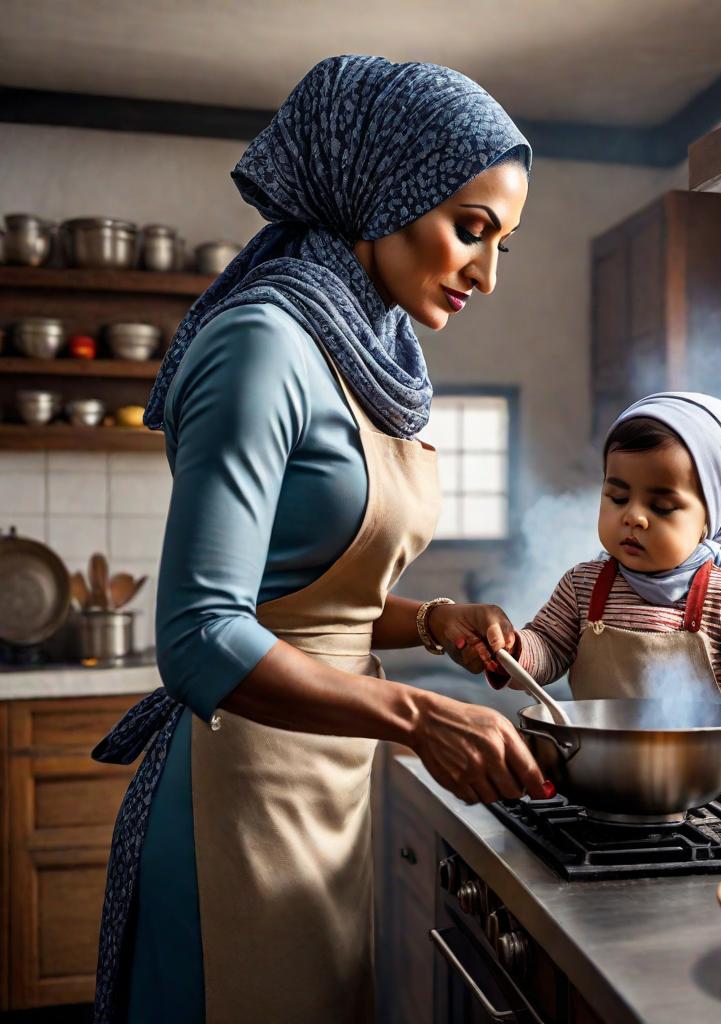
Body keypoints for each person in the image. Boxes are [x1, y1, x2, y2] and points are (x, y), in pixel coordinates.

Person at [91, 55, 546, 1024]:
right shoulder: (264, 343)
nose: (489, 273)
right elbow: (201, 634)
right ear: (384, 189)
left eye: (503, 241)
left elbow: (306, 597)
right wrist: (422, 717)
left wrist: (435, 620)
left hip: (334, 781)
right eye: (470, 230)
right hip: (240, 794)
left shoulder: (371, 346)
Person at [445, 392, 721, 756]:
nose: (633, 516)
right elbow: (549, 648)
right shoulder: (583, 585)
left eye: (662, 506)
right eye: (617, 498)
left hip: (697, 765)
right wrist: (514, 649)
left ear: (708, 522)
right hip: (599, 760)